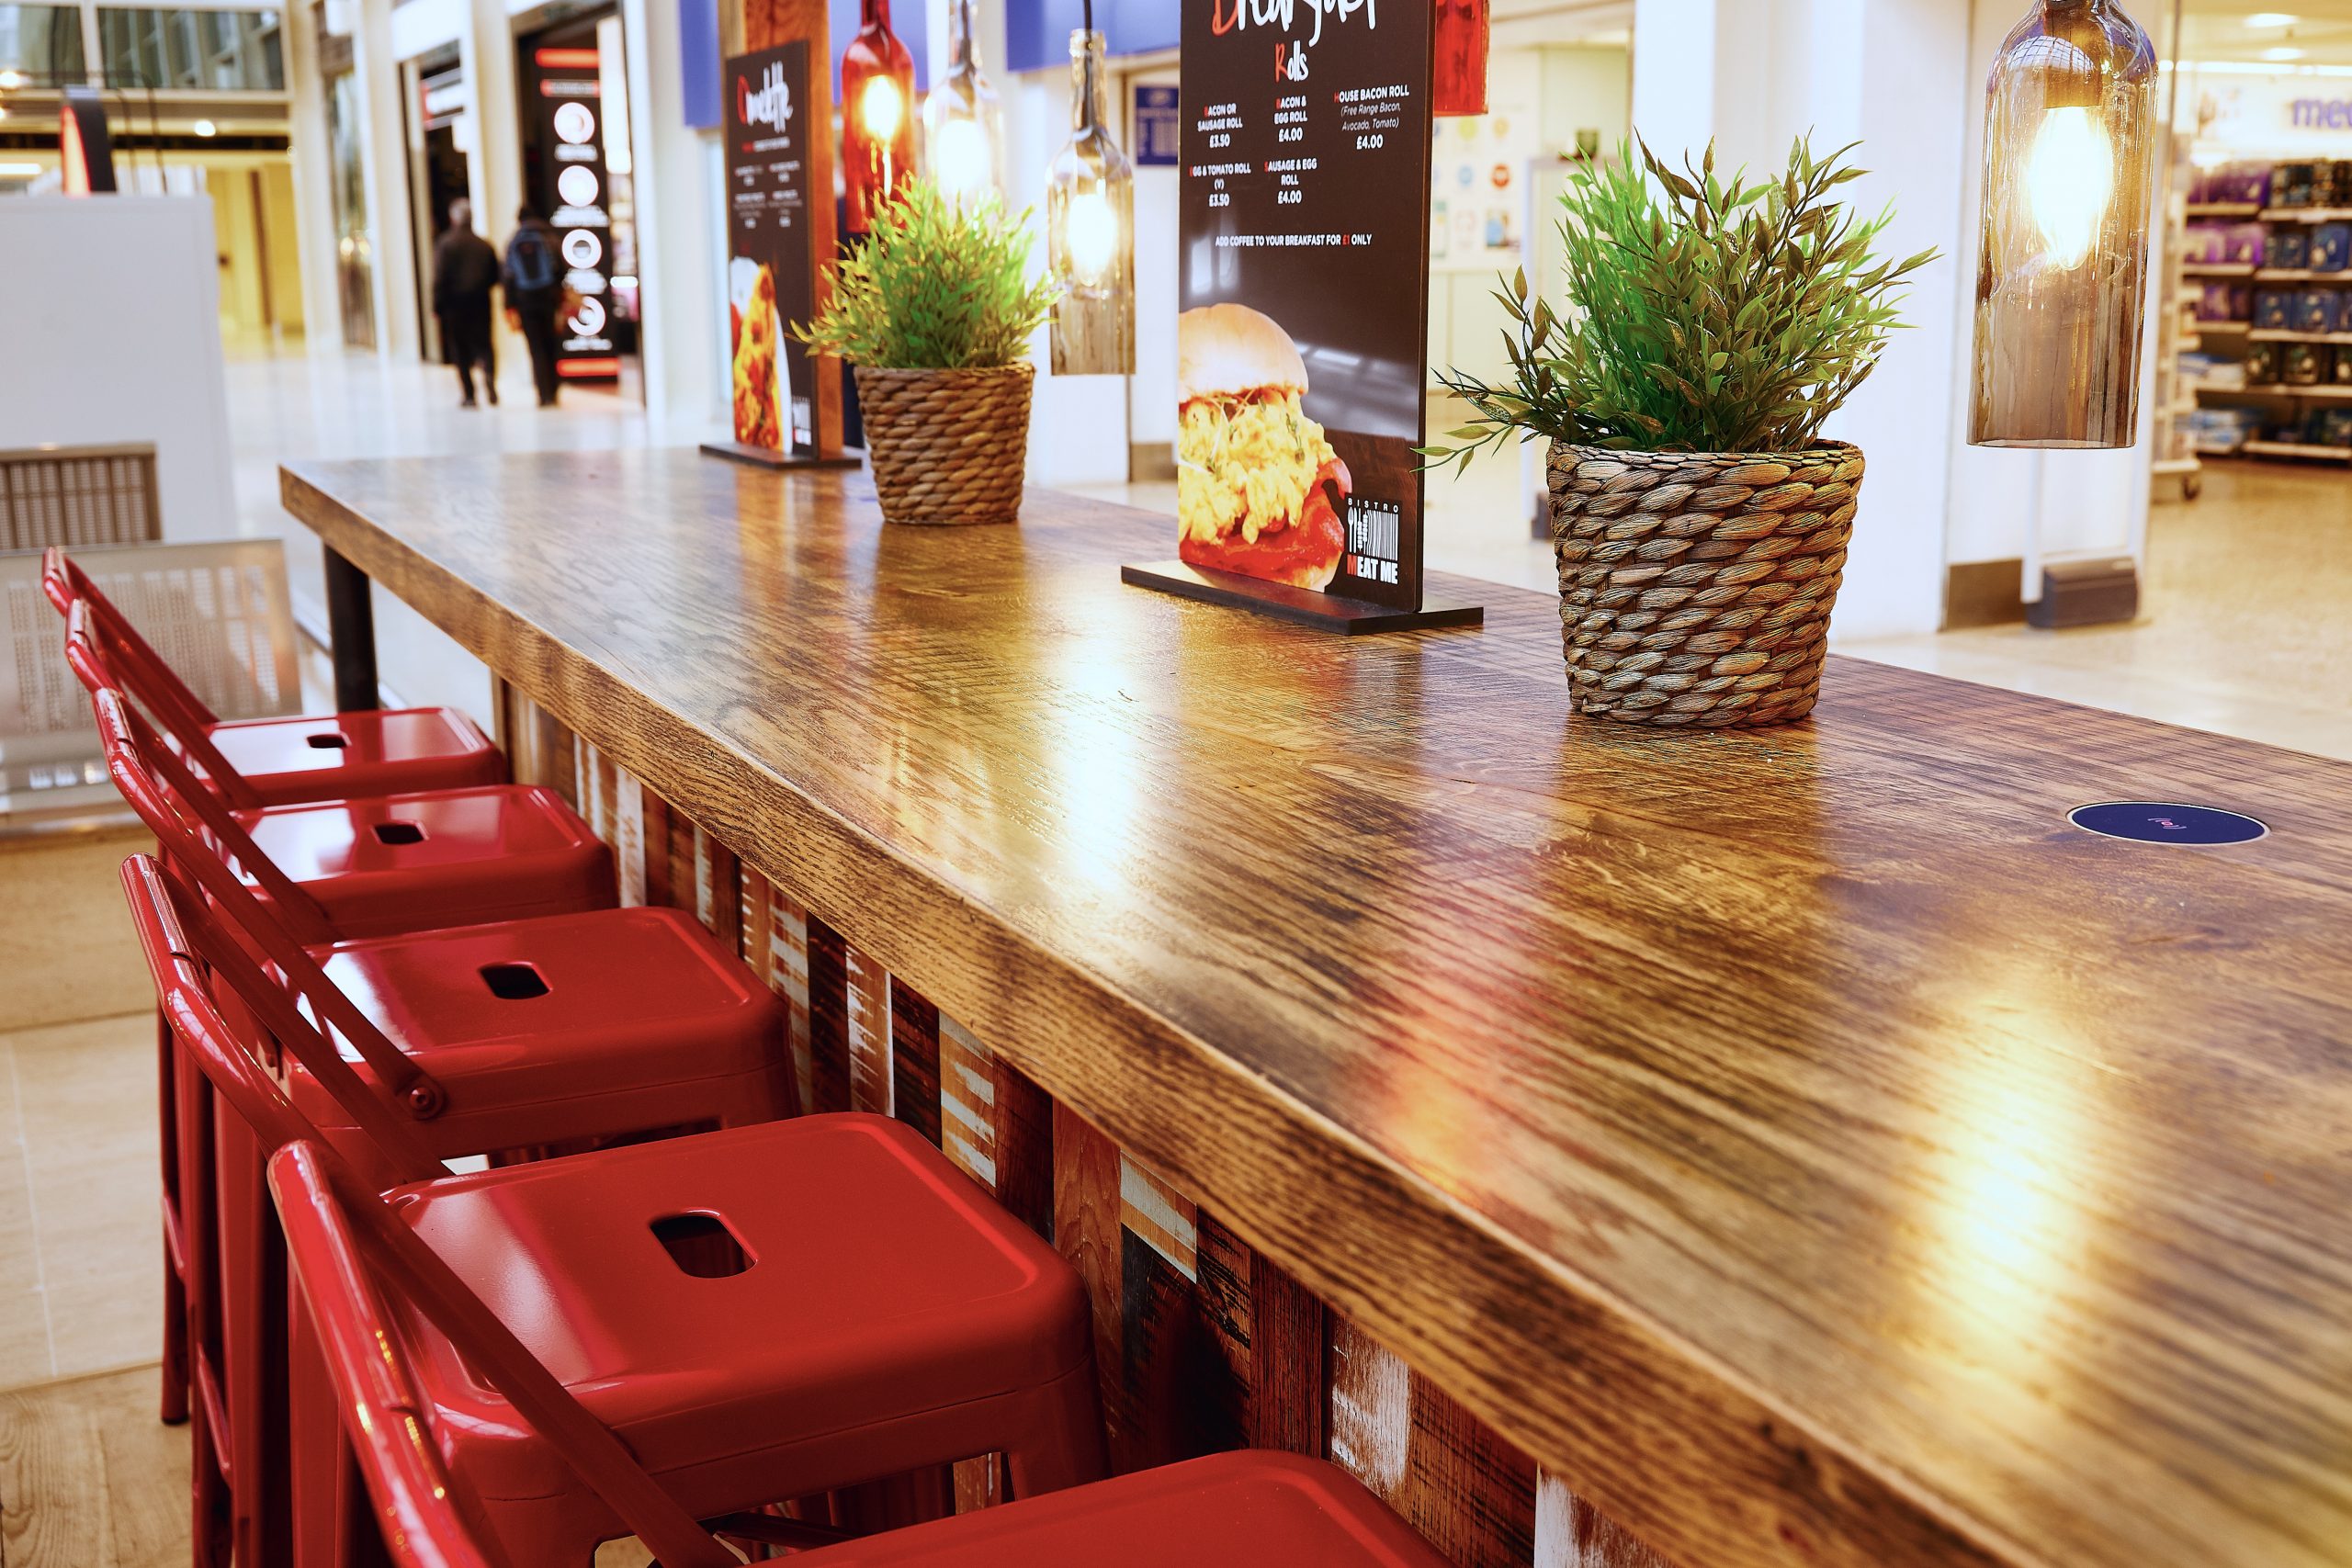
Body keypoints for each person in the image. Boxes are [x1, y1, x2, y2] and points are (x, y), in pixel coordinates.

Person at [429, 198, 500, 408]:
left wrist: (437, 305)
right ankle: (489, 379)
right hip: (480, 302)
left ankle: (469, 394)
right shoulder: (484, 245)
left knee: (460, 349)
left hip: (455, 305)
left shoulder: (446, 244)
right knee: (485, 345)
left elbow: (439, 278)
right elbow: (495, 276)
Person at [503, 205, 565, 407]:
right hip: (549, 299)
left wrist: (510, 304)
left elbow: (508, 277)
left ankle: (543, 393)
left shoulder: (514, 241)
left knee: (535, 348)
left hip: (525, 302)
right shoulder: (549, 238)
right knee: (550, 345)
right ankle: (554, 389)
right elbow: (562, 269)